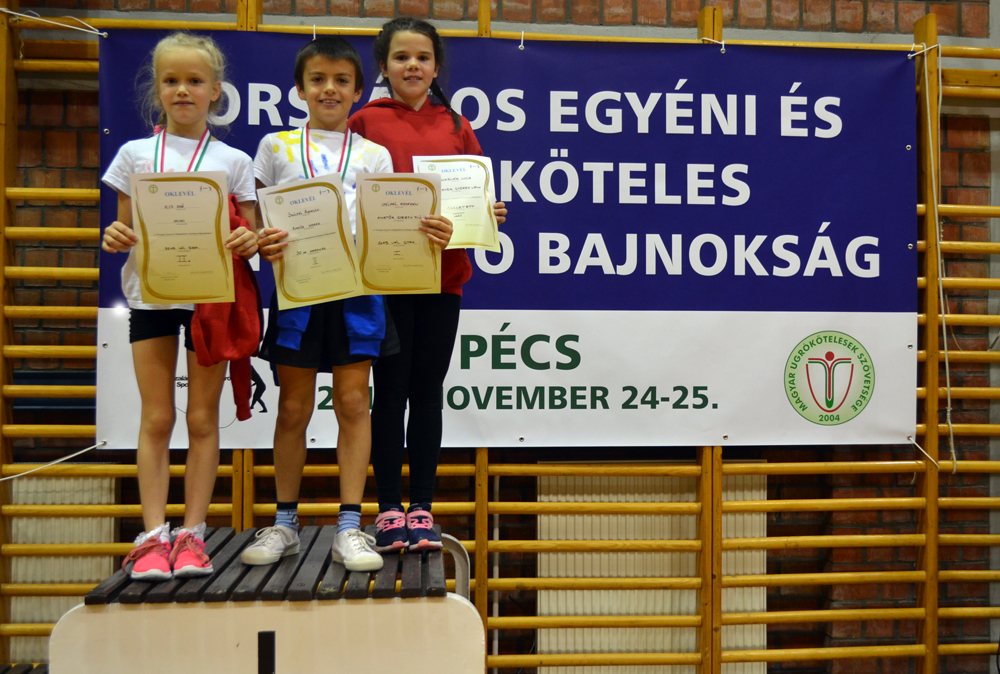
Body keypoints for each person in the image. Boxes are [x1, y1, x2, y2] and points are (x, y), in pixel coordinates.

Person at [102, 32, 259, 580]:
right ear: (157, 89)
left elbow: (251, 235)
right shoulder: (133, 155)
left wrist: (248, 240)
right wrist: (115, 236)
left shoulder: (234, 160)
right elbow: (123, 227)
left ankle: (192, 533)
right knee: (156, 416)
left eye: (195, 81)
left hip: (210, 300)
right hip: (151, 296)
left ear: (216, 91)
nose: (183, 90)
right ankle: (152, 536)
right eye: (171, 81)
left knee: (201, 417)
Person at [349, 18, 507, 552]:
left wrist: (485, 213)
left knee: (427, 392)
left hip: (444, 280)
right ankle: (387, 509)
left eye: (422, 57)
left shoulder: (457, 125)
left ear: (436, 67)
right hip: (385, 281)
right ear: (384, 66)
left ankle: (421, 507)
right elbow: (348, 197)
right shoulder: (363, 123)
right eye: (401, 57)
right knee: (389, 392)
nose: (412, 65)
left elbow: (473, 199)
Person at [240, 36, 397, 572]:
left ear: (358, 91)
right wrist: (261, 239)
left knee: (353, 404)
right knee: (292, 407)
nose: (329, 89)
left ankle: (350, 528)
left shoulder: (375, 154)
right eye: (318, 80)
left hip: (358, 290)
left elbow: (383, 222)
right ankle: (285, 524)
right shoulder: (275, 146)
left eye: (341, 81)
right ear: (300, 88)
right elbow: (252, 218)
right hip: (298, 290)